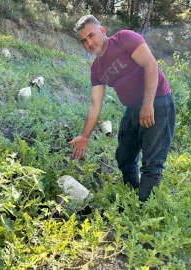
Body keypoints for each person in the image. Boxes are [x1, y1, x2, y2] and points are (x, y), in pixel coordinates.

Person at [68, 15, 176, 202]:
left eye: (92, 35)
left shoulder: (125, 39)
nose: (90, 43)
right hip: (132, 108)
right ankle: (132, 197)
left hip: (157, 101)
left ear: (102, 30)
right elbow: (95, 104)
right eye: (84, 41)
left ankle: (144, 212)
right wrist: (84, 136)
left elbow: (150, 64)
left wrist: (148, 103)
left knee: (152, 162)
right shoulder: (96, 69)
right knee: (125, 157)